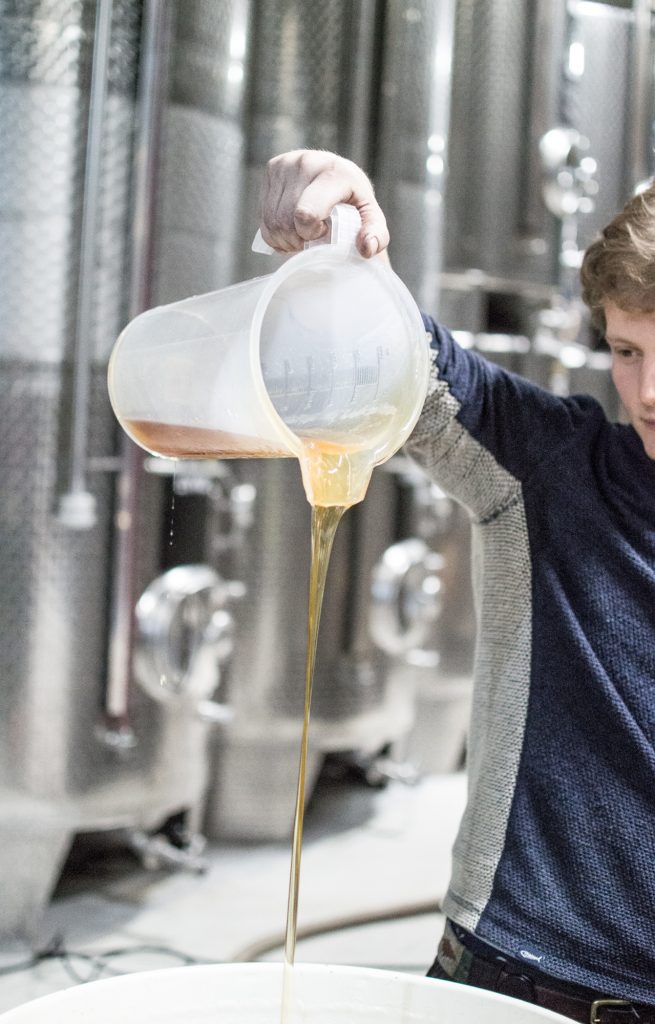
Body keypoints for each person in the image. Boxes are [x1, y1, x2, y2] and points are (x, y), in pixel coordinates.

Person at [258, 151, 655, 1023]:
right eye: (626, 352)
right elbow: (415, 371)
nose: (647, 392)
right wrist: (345, 254)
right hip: (513, 976)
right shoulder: (551, 472)